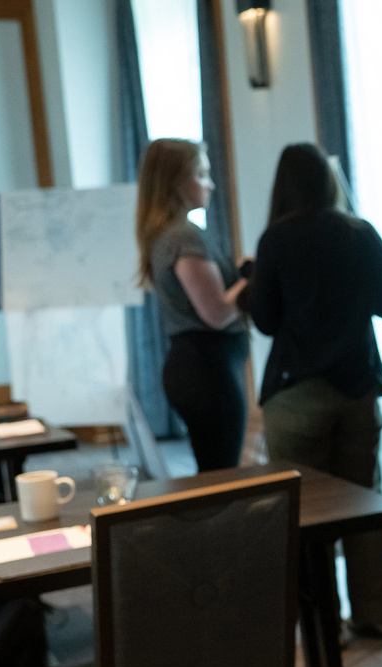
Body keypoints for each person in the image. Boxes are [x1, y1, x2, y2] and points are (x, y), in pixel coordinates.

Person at [249, 143, 382, 639]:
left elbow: (266, 321)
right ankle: (380, 614)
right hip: (358, 387)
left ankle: (323, 624)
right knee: (364, 503)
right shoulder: (361, 233)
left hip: (297, 395)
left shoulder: (275, 240)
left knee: (305, 512)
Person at [136, 138, 250, 472]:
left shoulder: (166, 233)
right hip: (207, 371)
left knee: (214, 468)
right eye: (201, 175)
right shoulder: (183, 236)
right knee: (220, 474)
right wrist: (252, 280)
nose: (210, 184)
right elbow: (215, 312)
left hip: (199, 368)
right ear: (177, 182)